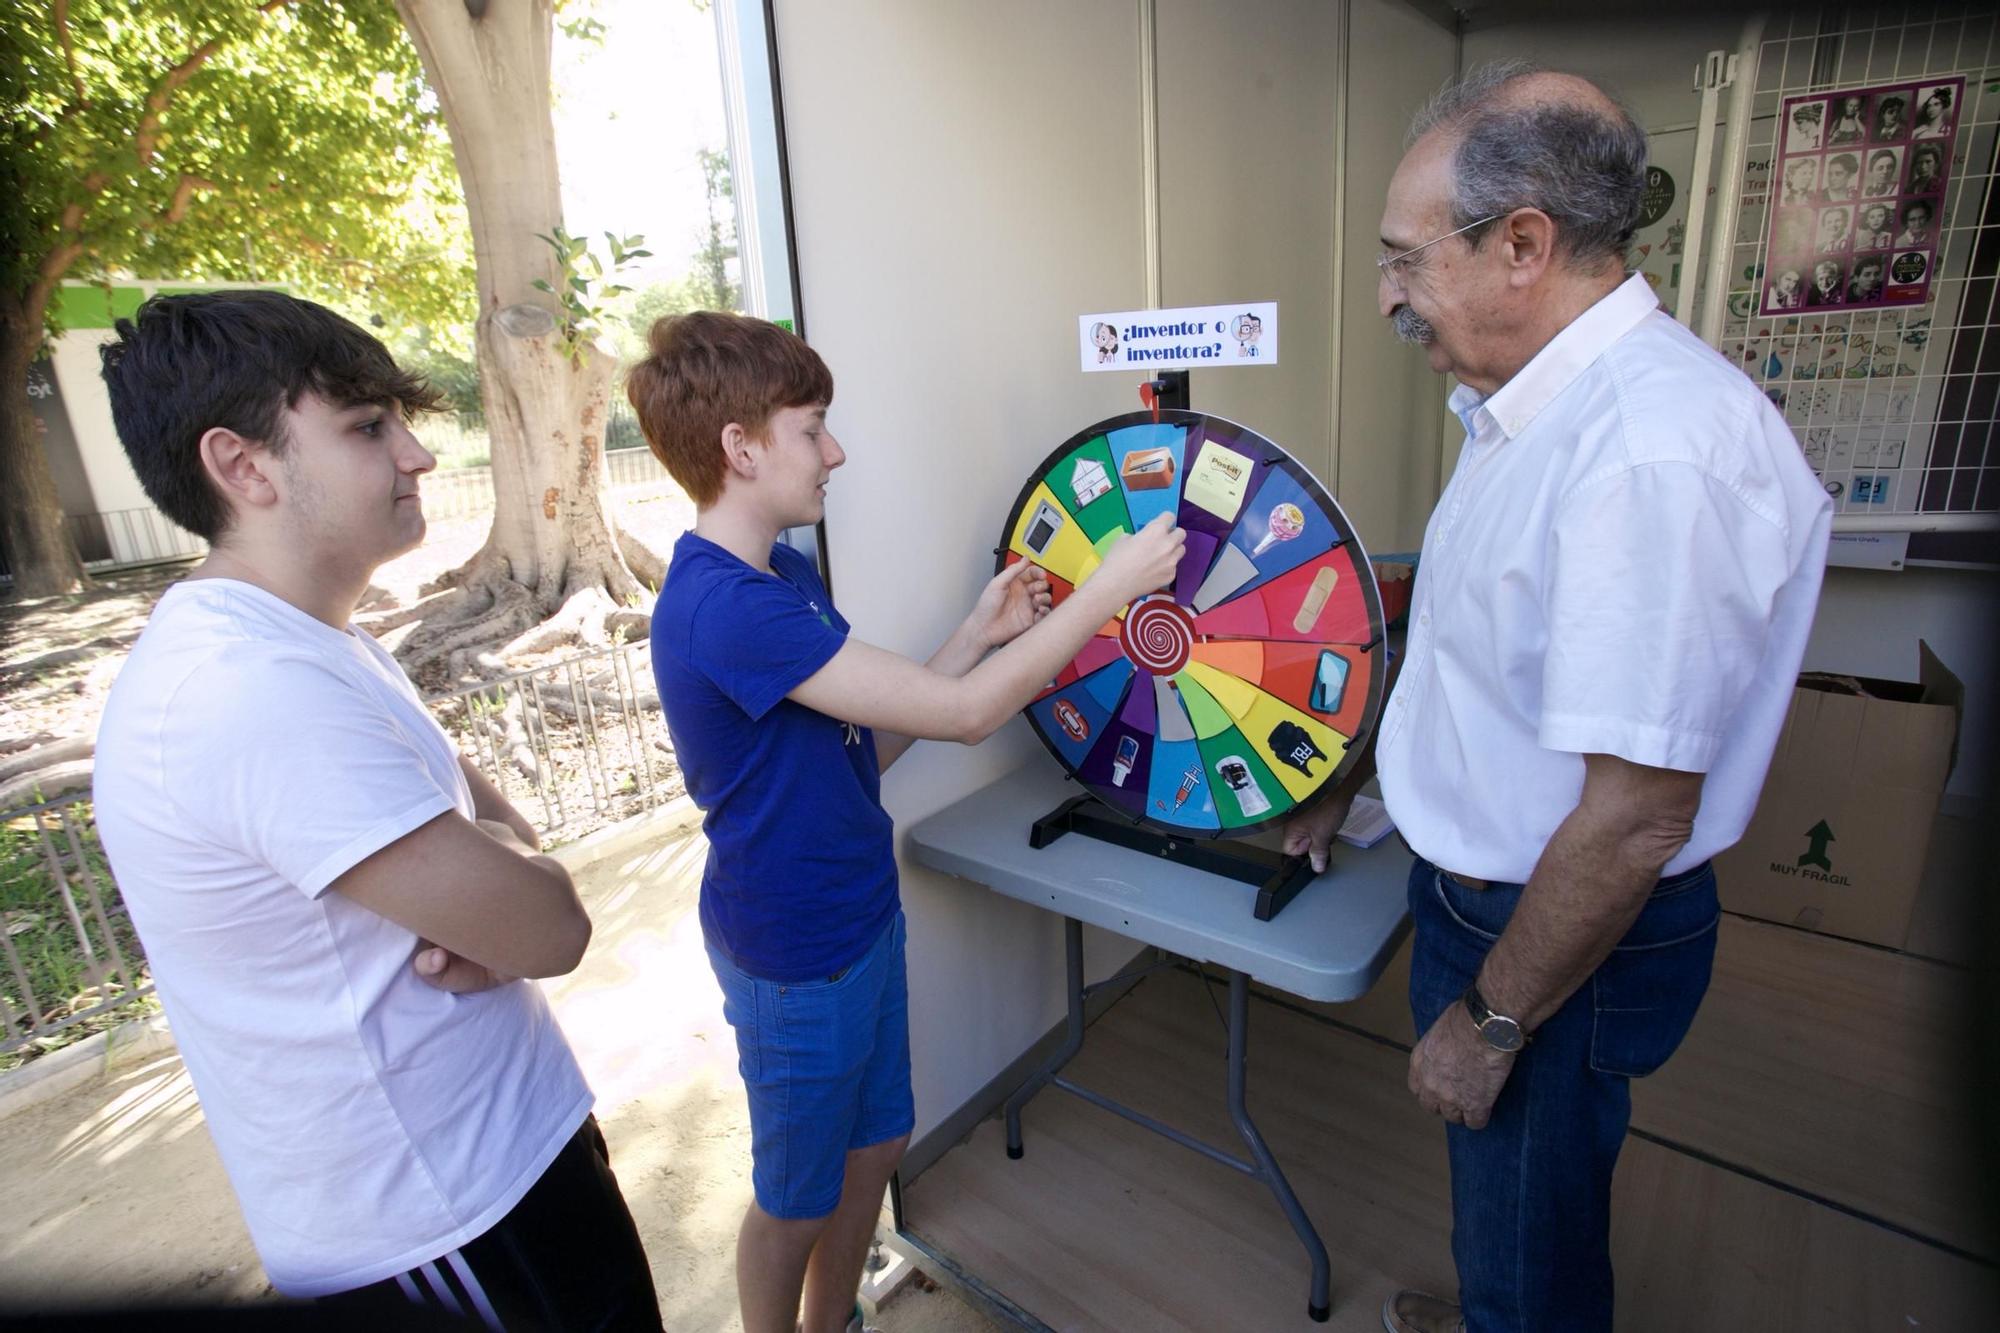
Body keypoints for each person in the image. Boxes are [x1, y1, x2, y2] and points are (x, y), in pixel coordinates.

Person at [1297, 61, 1832, 1333]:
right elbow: (1481, 659)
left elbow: (1637, 816)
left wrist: (1488, 1022)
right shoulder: (1523, 411)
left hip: (1546, 943)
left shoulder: (1647, 457)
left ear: (1523, 244)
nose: (1385, 296)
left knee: (1531, 1209)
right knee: (1509, 1194)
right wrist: (1356, 780)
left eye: (1401, 260)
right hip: (1493, 905)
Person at [91, 292, 662, 1329]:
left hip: (504, 1161)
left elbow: (514, 850)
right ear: (242, 465)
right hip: (441, 1222)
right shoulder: (244, 690)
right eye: (365, 427)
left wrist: (494, 888)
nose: (418, 454)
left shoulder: (320, 639)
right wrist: (502, 895)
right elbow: (550, 922)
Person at [625, 312, 1183, 1333]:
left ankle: (833, 1319)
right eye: (811, 427)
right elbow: (968, 718)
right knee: (794, 1197)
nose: (834, 451)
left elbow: (862, 748)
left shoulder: (780, 573)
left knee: (878, 1147)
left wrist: (976, 629)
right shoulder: (721, 606)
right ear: (740, 448)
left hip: (860, 915)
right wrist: (1109, 590)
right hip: (794, 951)